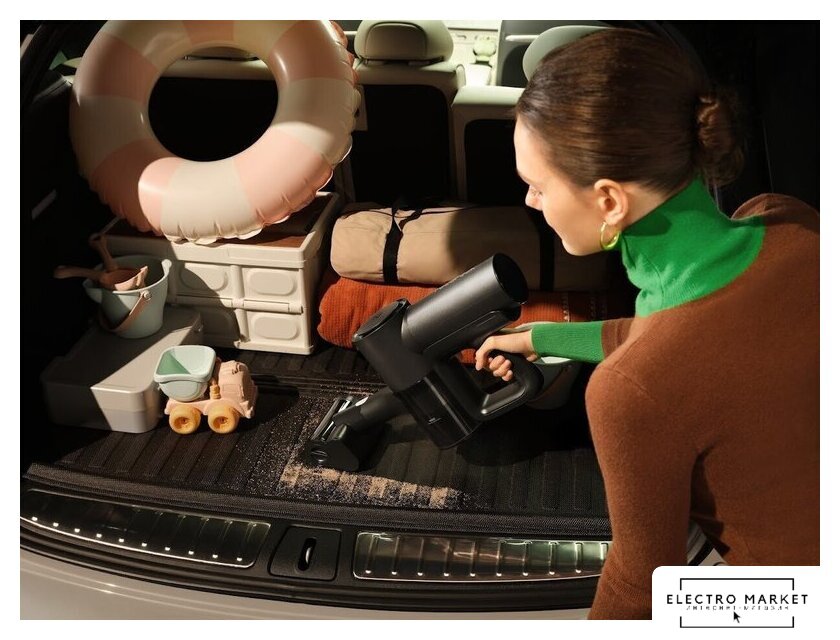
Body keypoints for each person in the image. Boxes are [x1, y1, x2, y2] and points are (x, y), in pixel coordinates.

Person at [474, 28, 819, 620]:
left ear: (609, 201)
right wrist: (538, 337)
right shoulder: (791, 224)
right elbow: (673, 336)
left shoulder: (628, 393)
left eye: (537, 186)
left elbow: (643, 584)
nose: (531, 202)